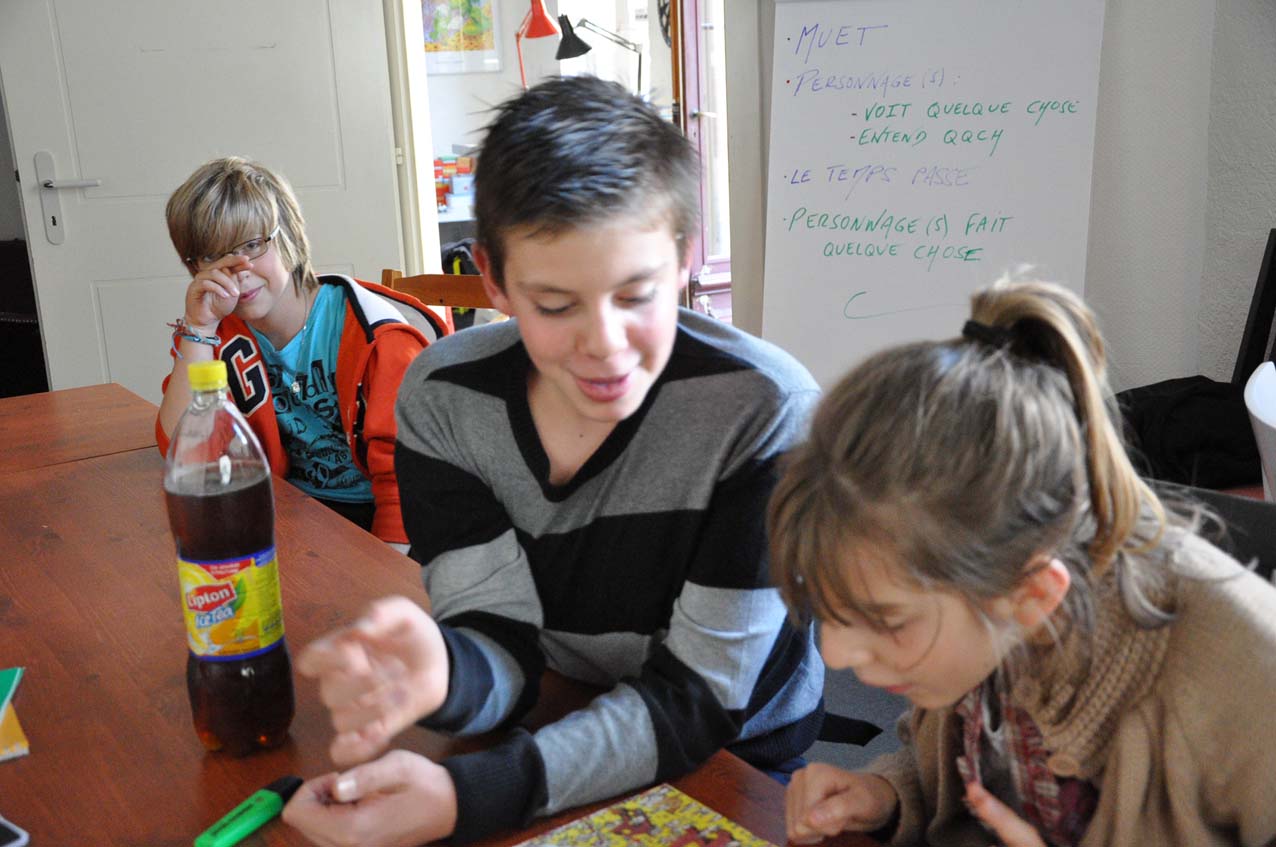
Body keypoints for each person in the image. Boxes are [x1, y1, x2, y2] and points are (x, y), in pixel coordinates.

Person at [281, 75, 827, 845]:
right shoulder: (445, 399)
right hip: (565, 706)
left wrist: (466, 797)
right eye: (555, 305)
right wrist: (446, 670)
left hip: (739, 755)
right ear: (494, 280)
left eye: (636, 295)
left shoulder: (764, 410)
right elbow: (501, 640)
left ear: (683, 257)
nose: (604, 344)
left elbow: (701, 699)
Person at [769, 278, 1276, 847]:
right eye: (830, 611)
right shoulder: (978, 587)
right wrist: (888, 793)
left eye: (885, 621)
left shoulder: (1247, 674)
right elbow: (968, 764)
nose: (835, 654)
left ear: (1033, 593)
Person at [156, 157, 446, 545]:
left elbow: (408, 485)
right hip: (292, 513)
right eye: (213, 256)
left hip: (392, 517)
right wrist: (199, 329)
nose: (238, 270)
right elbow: (184, 451)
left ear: (289, 234)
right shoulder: (218, 333)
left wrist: (381, 574)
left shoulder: (376, 335)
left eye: (252, 245)